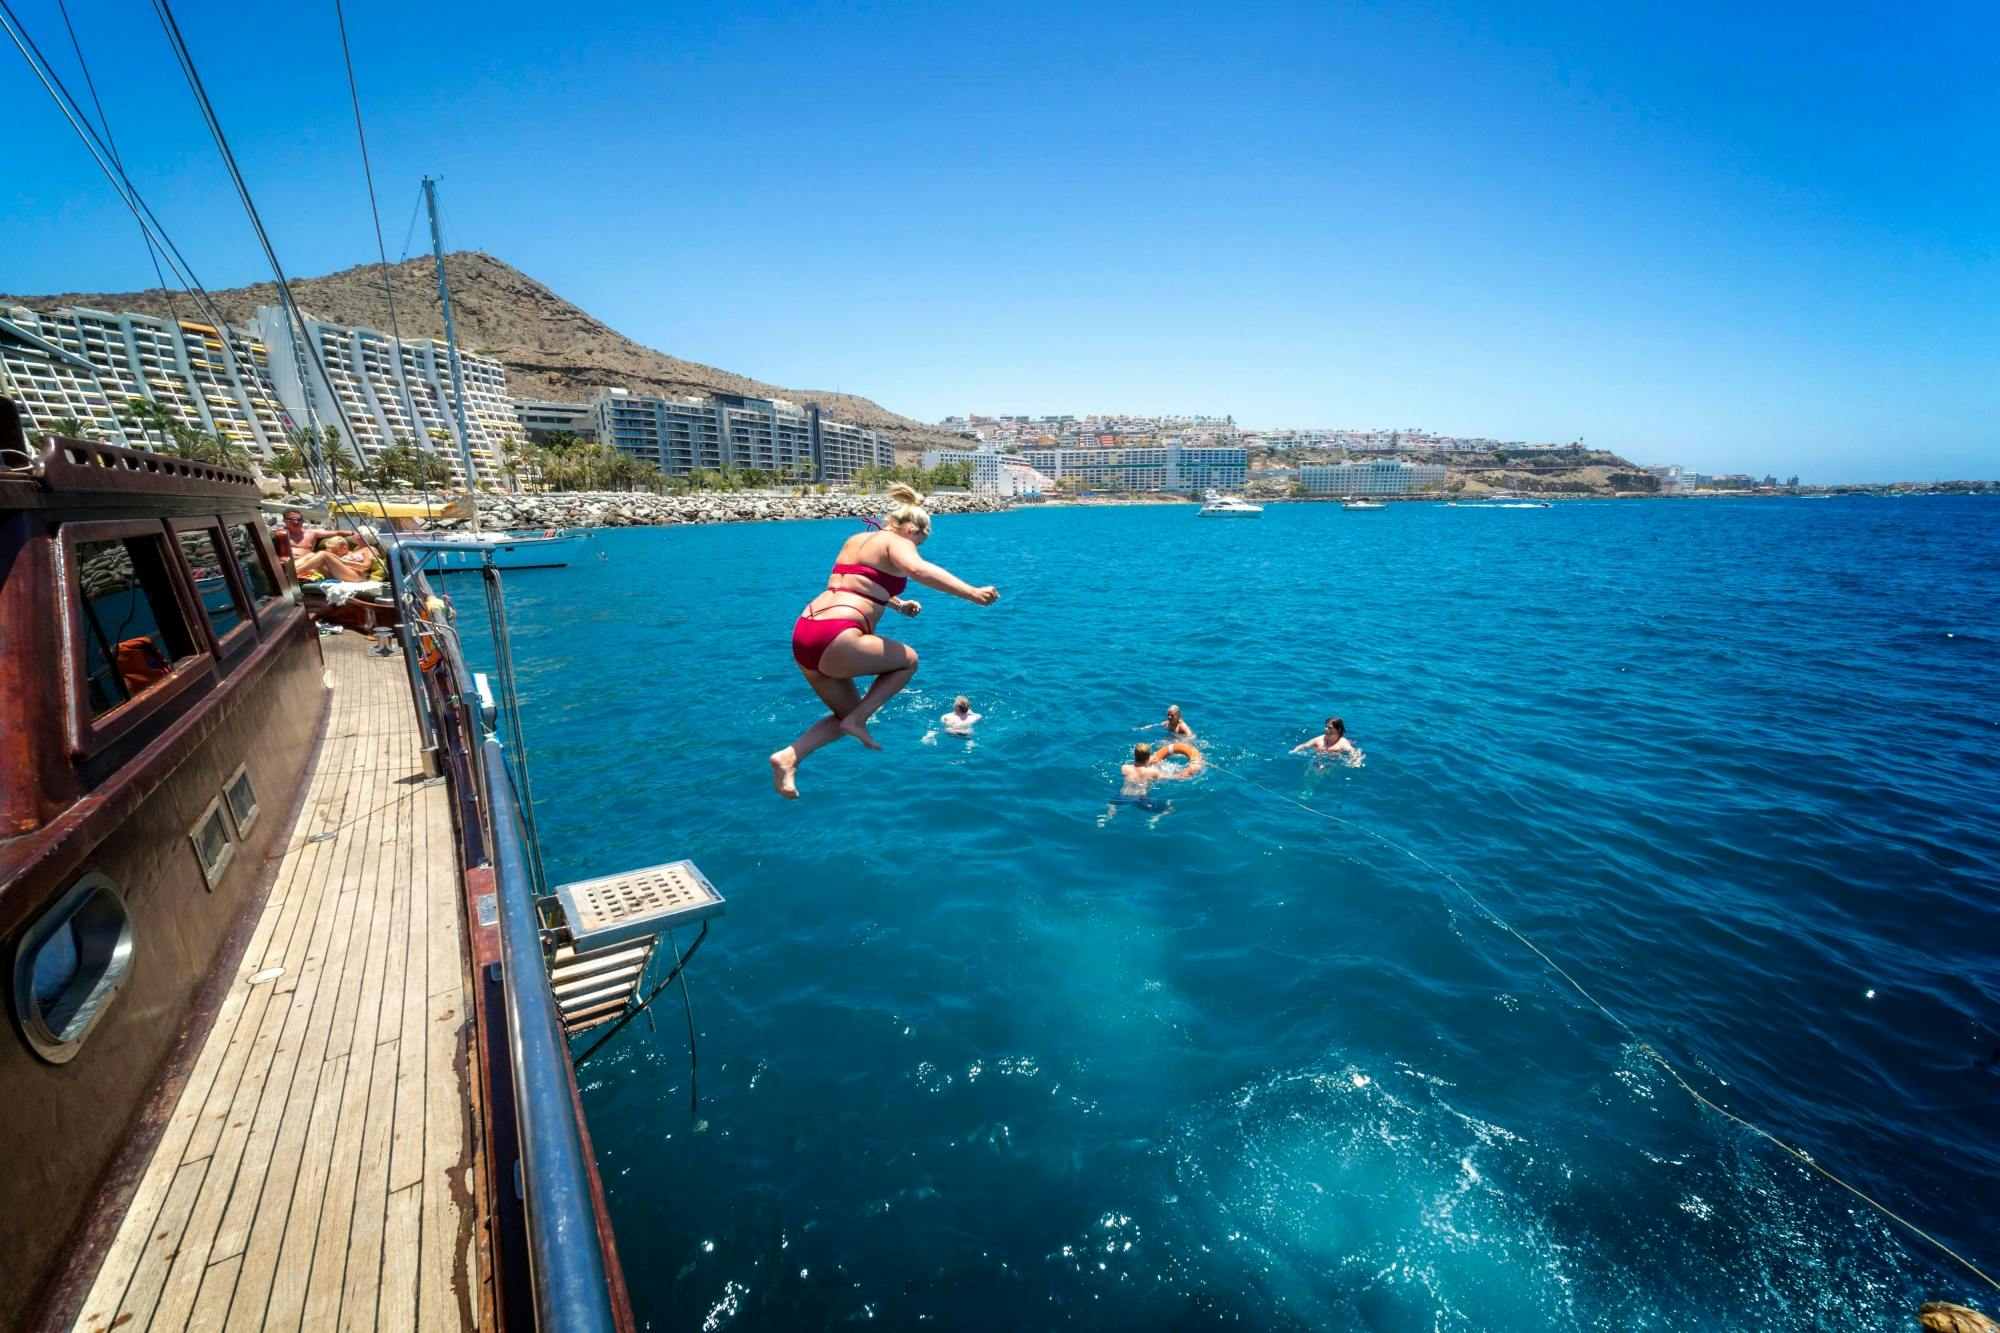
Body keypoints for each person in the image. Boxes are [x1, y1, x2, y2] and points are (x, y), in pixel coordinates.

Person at [769, 484, 999, 797]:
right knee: (909, 661)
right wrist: (970, 592)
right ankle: (859, 721)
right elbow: (918, 570)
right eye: (920, 540)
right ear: (910, 529)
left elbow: (855, 584)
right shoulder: (895, 540)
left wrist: (898, 604)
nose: (919, 546)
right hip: (838, 634)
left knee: (844, 716)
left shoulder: (857, 540)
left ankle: (789, 758)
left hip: (806, 632)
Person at [1103, 740, 1205, 823]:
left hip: (1123, 796)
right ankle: (1154, 820)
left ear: (1134, 755)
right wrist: (1190, 771)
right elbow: (1172, 777)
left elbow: (1136, 765)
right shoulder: (1152, 772)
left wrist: (1147, 760)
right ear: (1148, 758)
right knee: (1168, 808)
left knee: (1112, 803)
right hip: (1141, 799)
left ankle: (1107, 816)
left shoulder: (1124, 768)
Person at [273, 509, 352, 564]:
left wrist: (357, 533)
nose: (296, 521)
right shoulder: (279, 535)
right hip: (290, 564)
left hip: (311, 563)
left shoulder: (311, 533)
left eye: (299, 519)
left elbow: (339, 532)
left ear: (303, 521)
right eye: (291, 519)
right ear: (284, 521)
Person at [291, 534, 377, 583]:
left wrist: (344, 562)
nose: (353, 535)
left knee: (323, 554)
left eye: (357, 533)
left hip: (357, 576)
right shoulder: (356, 549)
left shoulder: (369, 549)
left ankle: (293, 573)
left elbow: (366, 566)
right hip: (345, 572)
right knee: (311, 555)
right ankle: (288, 570)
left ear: (365, 536)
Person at [1291, 717, 1356, 757]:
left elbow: (1354, 752)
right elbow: (1304, 745)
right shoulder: (1319, 739)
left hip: (1333, 761)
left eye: (1330, 728)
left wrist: (1356, 762)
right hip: (1318, 759)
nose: (1326, 729)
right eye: (1326, 726)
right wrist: (1294, 751)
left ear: (1338, 730)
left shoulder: (1342, 743)